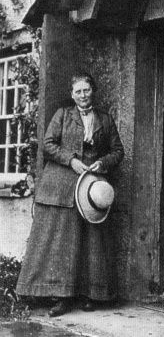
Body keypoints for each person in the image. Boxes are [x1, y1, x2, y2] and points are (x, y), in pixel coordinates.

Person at [16, 72, 124, 317]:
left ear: (92, 91)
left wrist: (103, 163)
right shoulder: (63, 115)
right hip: (63, 184)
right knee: (64, 242)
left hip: (91, 187)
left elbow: (118, 151)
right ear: (71, 94)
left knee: (91, 242)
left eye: (87, 90)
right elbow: (48, 144)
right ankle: (60, 298)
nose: (83, 95)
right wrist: (71, 160)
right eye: (78, 91)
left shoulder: (105, 119)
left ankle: (89, 295)